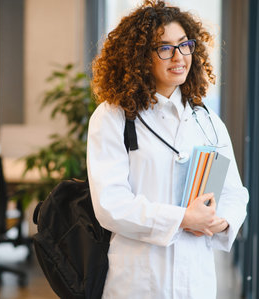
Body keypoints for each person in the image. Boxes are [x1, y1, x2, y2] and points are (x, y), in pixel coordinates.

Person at [86, 1, 249, 298]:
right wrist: (183, 219)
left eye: (184, 45)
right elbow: (111, 205)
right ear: (139, 57)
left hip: (196, 281)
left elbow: (234, 193)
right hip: (138, 282)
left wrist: (219, 219)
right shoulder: (113, 117)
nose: (178, 57)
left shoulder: (208, 120)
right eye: (164, 48)